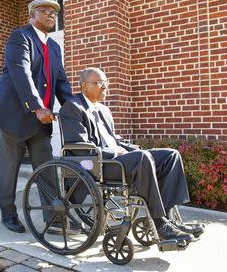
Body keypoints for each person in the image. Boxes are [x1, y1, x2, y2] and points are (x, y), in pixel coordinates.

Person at [59, 67, 204, 242]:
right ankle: (160, 224)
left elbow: (114, 138)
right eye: (99, 83)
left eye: (106, 82)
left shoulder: (104, 110)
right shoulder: (72, 107)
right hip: (98, 165)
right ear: (83, 86)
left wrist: (132, 148)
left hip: (119, 160)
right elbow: (79, 146)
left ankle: (169, 218)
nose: (105, 87)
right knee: (142, 158)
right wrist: (115, 151)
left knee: (170, 156)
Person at [0, 0, 73, 233]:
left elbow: (61, 83)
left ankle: (55, 218)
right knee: (9, 172)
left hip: (40, 123)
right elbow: (20, 73)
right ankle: (8, 214)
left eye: (54, 12)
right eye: (45, 11)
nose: (51, 15)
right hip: (12, 118)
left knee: (46, 170)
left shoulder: (54, 47)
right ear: (31, 15)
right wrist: (37, 106)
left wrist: (77, 109)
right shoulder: (20, 37)